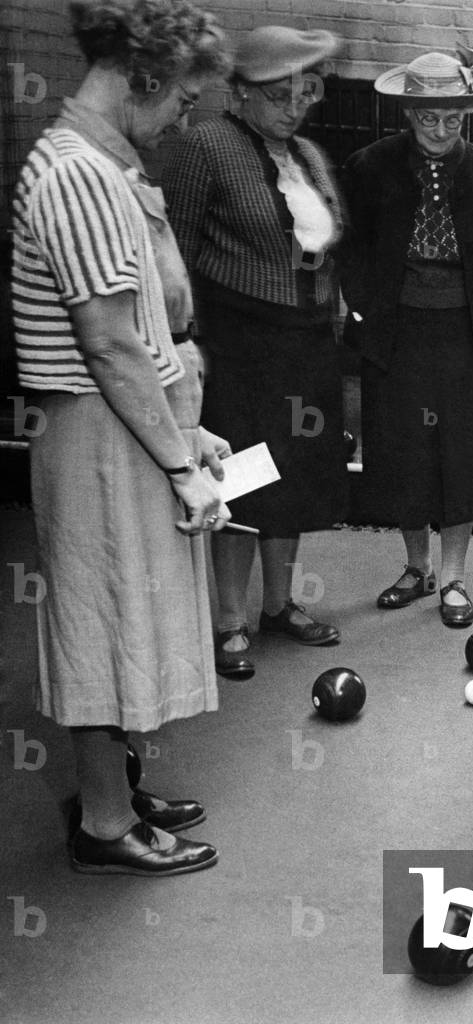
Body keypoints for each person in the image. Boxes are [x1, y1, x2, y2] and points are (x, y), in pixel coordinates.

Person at [11, 0, 232, 874]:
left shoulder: (106, 161)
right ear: (140, 77)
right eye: (180, 97)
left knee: (124, 615)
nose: (184, 114)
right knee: (102, 621)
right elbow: (105, 342)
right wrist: (180, 466)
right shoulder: (75, 172)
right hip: (98, 433)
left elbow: (138, 331)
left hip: (127, 423)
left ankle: (116, 788)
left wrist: (192, 428)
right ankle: (104, 824)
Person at [162, 25, 348, 679]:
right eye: (276, 94)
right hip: (239, 349)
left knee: (291, 477)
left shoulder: (309, 155)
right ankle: (229, 622)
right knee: (241, 480)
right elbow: (173, 257)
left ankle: (279, 606)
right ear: (238, 92)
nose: (292, 105)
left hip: (306, 346)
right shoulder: (204, 147)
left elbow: (326, 247)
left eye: (301, 91)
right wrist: (183, 348)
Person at [339, 50, 473, 627]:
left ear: (466, 113)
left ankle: (454, 576)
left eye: (452, 119)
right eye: (427, 119)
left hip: (465, 335)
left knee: (463, 453)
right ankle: (417, 568)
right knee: (402, 449)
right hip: (397, 334)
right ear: (408, 112)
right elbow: (354, 251)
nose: (440, 131)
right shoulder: (369, 166)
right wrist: (369, 310)